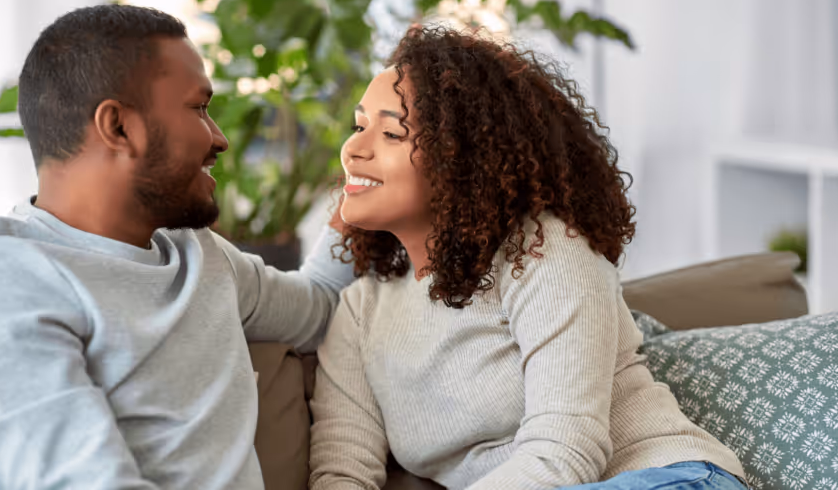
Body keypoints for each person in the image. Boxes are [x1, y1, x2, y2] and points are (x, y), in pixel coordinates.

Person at [0, 5, 352, 490]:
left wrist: (365, 187)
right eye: (199, 108)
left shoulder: (200, 256)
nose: (219, 138)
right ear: (117, 126)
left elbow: (323, 307)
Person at [308, 26, 747, 490]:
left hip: (667, 479)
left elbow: (565, 453)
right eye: (359, 127)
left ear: (463, 158)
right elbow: (342, 473)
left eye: (393, 134)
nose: (353, 149)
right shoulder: (359, 312)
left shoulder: (541, 249)